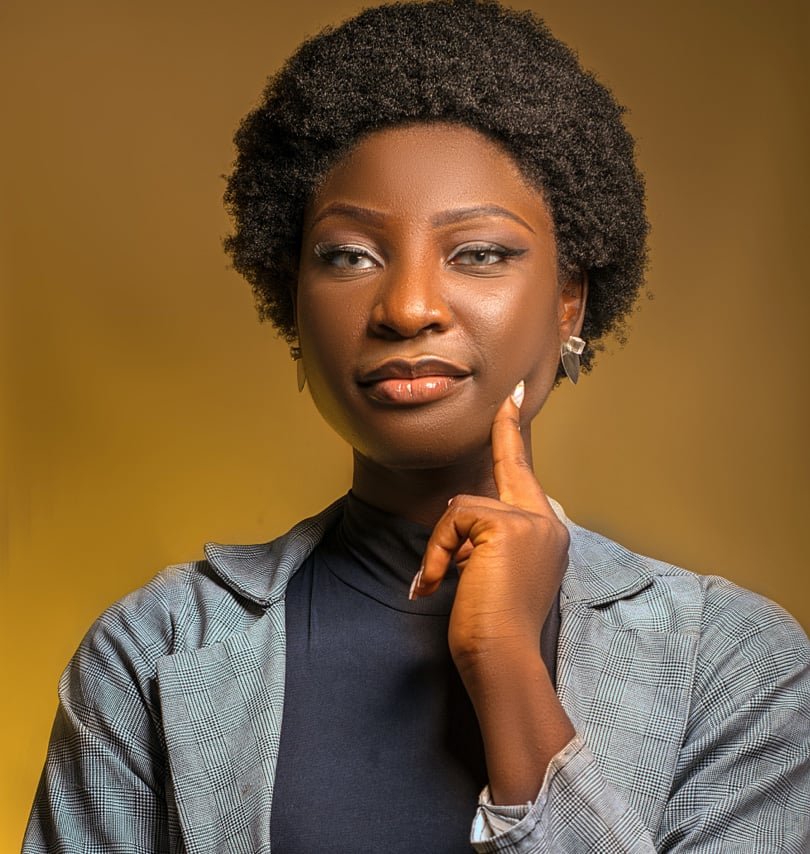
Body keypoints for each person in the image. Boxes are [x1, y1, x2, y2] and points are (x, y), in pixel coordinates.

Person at [23, 1, 809, 851]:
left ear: (568, 301)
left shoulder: (729, 662)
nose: (405, 307)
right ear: (292, 302)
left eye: (479, 253)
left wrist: (506, 664)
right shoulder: (154, 651)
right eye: (349, 256)